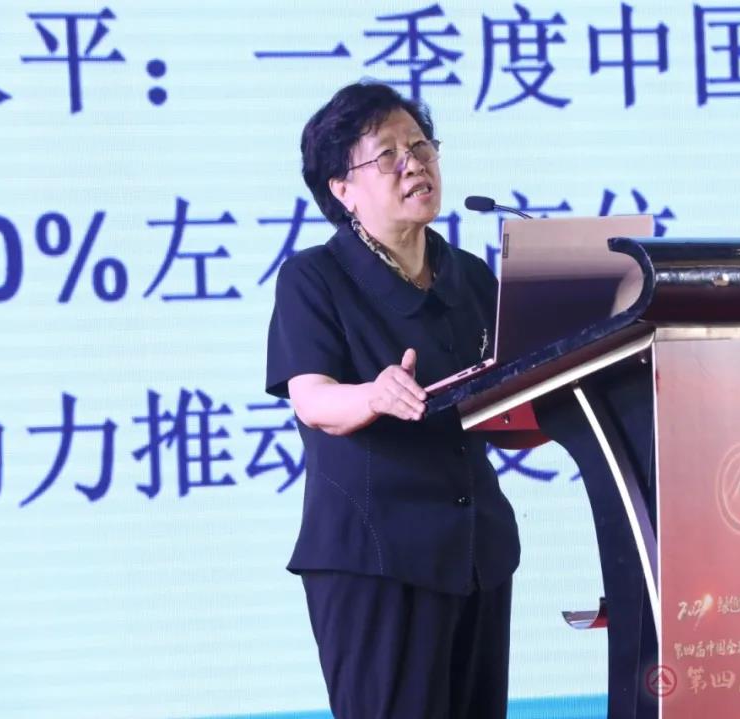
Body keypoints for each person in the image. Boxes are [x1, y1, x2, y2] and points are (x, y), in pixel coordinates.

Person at [264, 82, 520, 719]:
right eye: (388, 154)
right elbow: (312, 400)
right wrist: (374, 394)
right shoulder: (313, 278)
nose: (415, 163)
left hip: (476, 552)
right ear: (341, 189)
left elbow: (508, 399)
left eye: (421, 146)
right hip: (375, 558)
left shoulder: (470, 275)